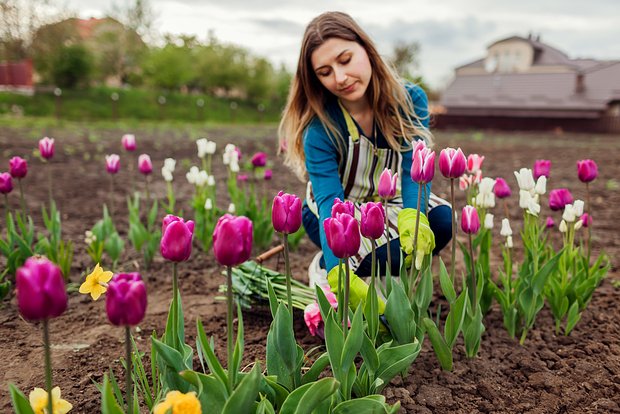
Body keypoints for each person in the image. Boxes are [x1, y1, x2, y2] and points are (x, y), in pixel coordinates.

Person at [279, 11, 452, 281]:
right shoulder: (320, 128)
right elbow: (329, 202)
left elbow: (413, 170)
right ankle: (328, 266)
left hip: (387, 202)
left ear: (366, 48)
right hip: (338, 212)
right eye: (325, 73)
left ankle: (378, 273)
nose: (340, 78)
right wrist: (339, 272)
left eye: (346, 60)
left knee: (439, 223)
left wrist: (413, 217)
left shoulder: (407, 101)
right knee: (363, 251)